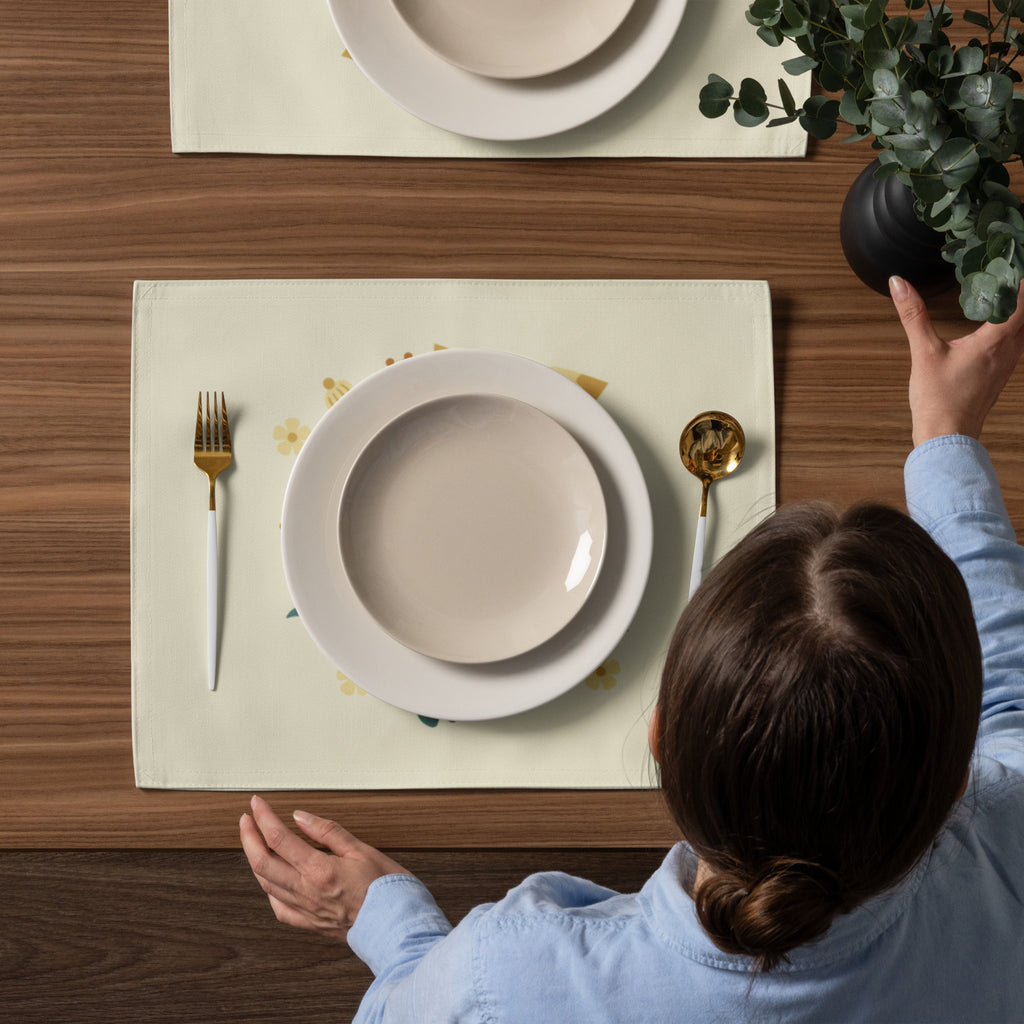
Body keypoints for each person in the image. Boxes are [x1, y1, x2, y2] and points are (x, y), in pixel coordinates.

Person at [240, 276, 1024, 1022]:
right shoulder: (1007, 849)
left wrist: (391, 928)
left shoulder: (504, 981)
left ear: (658, 737)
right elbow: (1012, 700)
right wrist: (945, 439)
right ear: (958, 785)